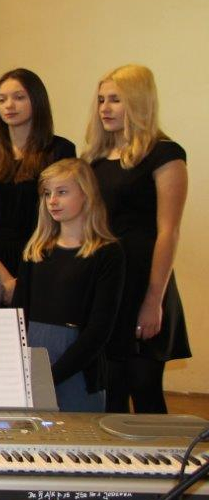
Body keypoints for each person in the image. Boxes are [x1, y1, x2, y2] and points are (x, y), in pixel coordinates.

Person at [12, 157, 124, 500]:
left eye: (62, 192)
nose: (53, 201)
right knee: (32, 480)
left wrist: (52, 374)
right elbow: (18, 316)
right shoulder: (36, 251)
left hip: (76, 374)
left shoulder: (107, 254)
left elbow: (99, 331)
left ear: (86, 195)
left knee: (75, 483)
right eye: (48, 193)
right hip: (34, 366)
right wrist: (26, 371)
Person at [84, 65, 191, 414]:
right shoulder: (94, 160)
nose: (105, 108)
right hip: (106, 281)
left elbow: (168, 232)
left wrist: (153, 299)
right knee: (110, 389)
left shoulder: (165, 154)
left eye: (115, 100)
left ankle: (163, 452)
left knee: (144, 385)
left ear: (139, 102)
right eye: (101, 100)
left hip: (144, 279)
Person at [0, 69, 75, 303]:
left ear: (37, 100)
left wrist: (27, 275)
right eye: (1, 99)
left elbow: (67, 216)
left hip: (44, 260)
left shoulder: (60, 151)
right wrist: (3, 276)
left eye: (19, 97)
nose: (9, 105)